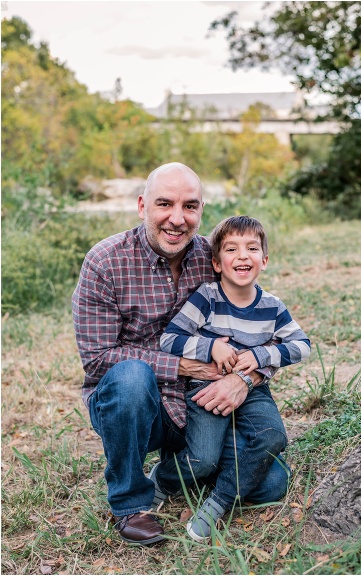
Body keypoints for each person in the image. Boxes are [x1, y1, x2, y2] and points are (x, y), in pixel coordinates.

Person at [72, 162, 288, 546]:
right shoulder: (105, 262)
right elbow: (97, 357)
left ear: (201, 210)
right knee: (131, 375)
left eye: (189, 206)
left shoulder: (214, 255)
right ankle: (129, 503)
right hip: (139, 406)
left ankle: (185, 470)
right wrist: (186, 365)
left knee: (271, 483)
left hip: (202, 402)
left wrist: (244, 378)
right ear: (142, 207)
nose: (177, 219)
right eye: (164, 204)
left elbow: (257, 324)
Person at [156, 215, 310, 541]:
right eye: (231, 249)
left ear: (264, 260)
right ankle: (164, 478)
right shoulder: (206, 298)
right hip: (205, 389)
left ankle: (218, 502)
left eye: (252, 248)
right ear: (216, 262)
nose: (243, 256)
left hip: (252, 391)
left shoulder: (272, 306)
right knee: (201, 459)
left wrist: (260, 356)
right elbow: (169, 339)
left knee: (273, 437)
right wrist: (210, 346)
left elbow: (301, 345)